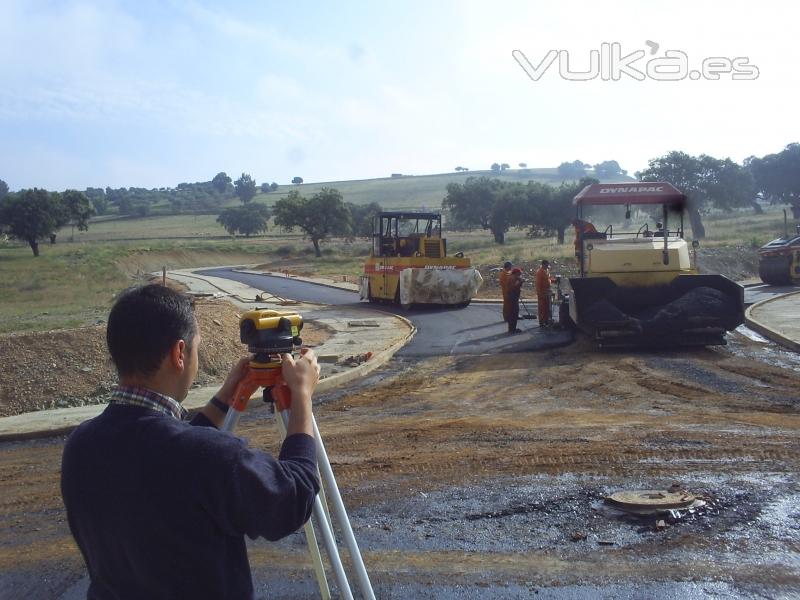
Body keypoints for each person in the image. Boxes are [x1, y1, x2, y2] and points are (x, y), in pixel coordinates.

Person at [61, 284, 321, 599]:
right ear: (179, 353)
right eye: (196, 348)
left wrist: (227, 396)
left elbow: (162, 458)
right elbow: (294, 498)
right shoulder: (210, 458)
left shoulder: (81, 445)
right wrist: (302, 397)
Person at [535, 260, 554, 327]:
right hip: (542, 292)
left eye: (547, 265)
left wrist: (553, 281)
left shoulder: (546, 271)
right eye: (546, 265)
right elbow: (538, 284)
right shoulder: (539, 272)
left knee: (547, 307)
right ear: (543, 264)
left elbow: (548, 279)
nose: (547, 266)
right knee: (542, 308)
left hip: (547, 291)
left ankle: (546, 320)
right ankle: (542, 321)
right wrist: (540, 293)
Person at [506, 267, 523, 334]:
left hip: (512, 296)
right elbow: (514, 286)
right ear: (516, 273)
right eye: (519, 274)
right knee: (514, 312)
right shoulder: (513, 278)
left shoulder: (512, 277)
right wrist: (520, 282)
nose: (520, 275)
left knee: (513, 312)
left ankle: (512, 328)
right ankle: (512, 329)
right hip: (512, 296)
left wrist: (520, 281)